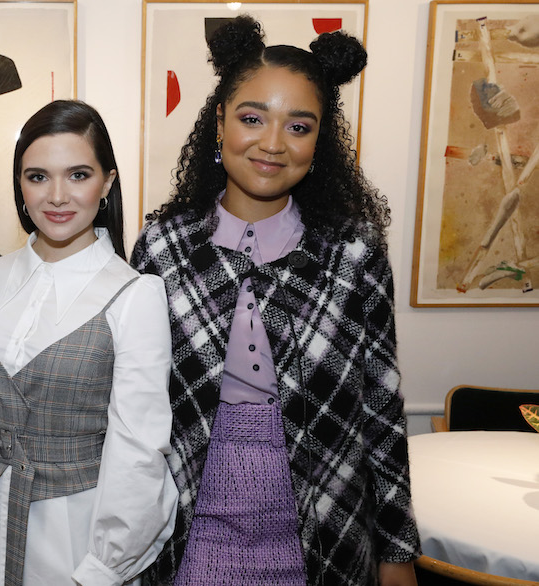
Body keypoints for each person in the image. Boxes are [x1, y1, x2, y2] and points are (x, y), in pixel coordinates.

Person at [130, 16, 420, 586]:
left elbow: (382, 410)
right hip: (186, 541)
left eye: (299, 126)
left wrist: (398, 553)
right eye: (252, 118)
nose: (272, 143)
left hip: (327, 543)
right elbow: (133, 407)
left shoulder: (354, 252)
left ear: (319, 140)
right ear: (220, 121)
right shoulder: (163, 248)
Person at [0, 100, 178, 586]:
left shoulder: (134, 295)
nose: (57, 196)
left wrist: (103, 567)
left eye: (78, 175)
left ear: (107, 182)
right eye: (38, 176)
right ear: (20, 186)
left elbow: (139, 449)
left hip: (74, 535)